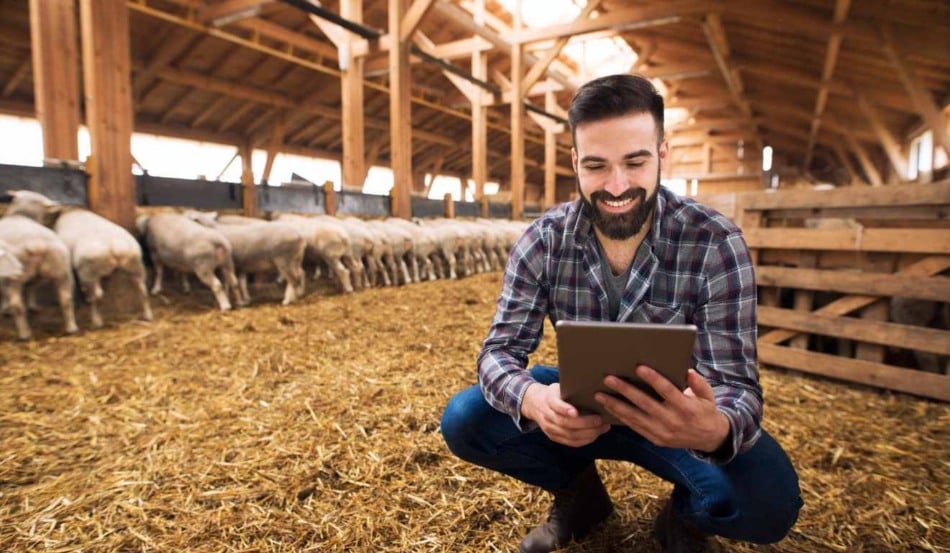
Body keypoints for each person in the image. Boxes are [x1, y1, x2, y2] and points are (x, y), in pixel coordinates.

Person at [440, 74, 802, 553]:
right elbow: (498, 353)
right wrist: (534, 400)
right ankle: (580, 497)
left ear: (662, 156)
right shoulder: (543, 240)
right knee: (466, 418)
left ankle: (687, 520)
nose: (616, 185)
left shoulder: (715, 241)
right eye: (596, 166)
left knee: (770, 503)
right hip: (580, 406)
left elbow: (738, 385)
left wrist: (711, 428)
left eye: (635, 162)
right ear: (575, 163)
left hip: (672, 418)